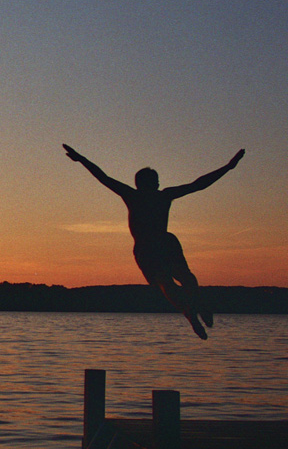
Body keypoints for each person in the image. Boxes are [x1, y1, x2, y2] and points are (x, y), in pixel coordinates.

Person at [63, 144, 245, 339]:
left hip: (147, 247)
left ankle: (189, 311)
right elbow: (198, 184)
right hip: (164, 242)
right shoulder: (163, 195)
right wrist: (227, 168)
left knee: (166, 282)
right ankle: (196, 305)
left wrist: (81, 159)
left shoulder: (133, 195)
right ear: (154, 183)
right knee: (185, 277)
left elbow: (103, 177)